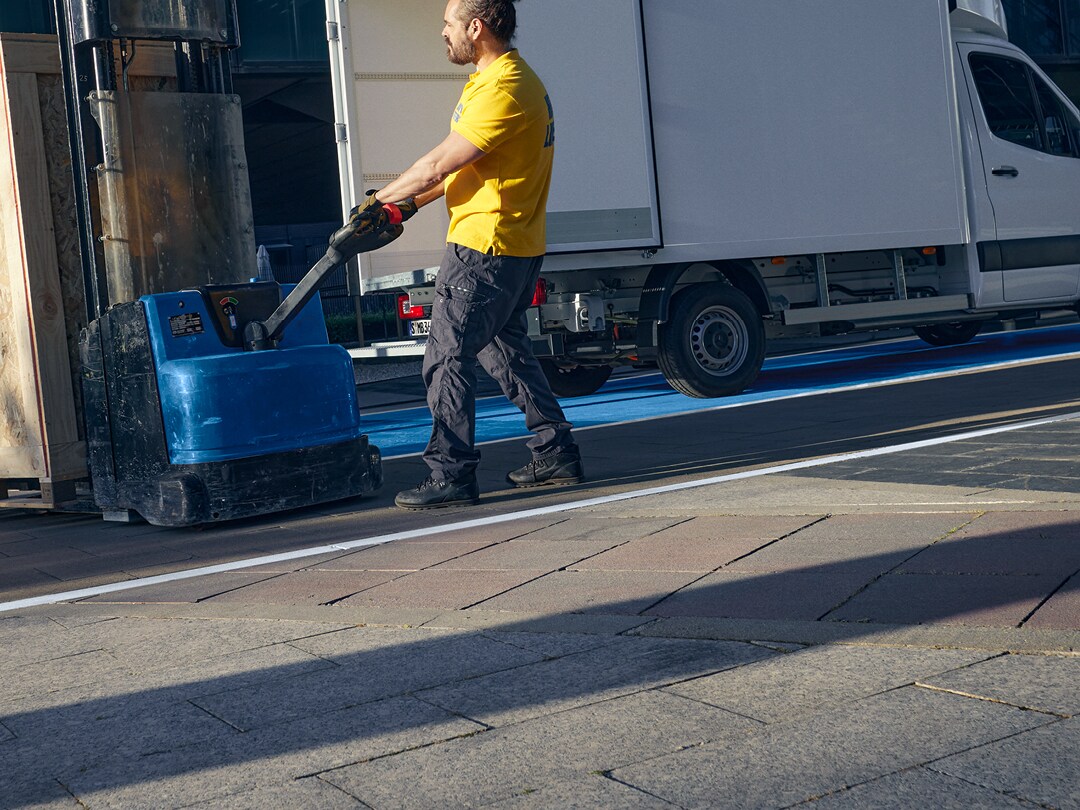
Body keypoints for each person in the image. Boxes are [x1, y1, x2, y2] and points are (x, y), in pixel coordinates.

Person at [370, 0, 583, 510]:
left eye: (447, 24)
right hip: (511, 245)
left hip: (484, 249)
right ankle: (555, 453)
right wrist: (409, 207)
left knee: (445, 357)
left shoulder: (506, 88)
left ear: (476, 26)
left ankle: (451, 473)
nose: (442, 32)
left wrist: (376, 204)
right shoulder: (495, 82)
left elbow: (436, 163)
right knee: (503, 353)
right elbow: (464, 169)